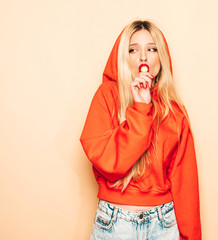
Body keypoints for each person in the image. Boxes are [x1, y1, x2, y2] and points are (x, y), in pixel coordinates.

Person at [79, 20, 201, 240]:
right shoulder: (107, 95)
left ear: (160, 58)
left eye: (151, 49)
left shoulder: (174, 111)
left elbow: (185, 182)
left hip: (163, 224)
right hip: (114, 225)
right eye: (133, 50)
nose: (143, 57)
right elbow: (110, 164)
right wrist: (141, 108)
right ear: (123, 57)